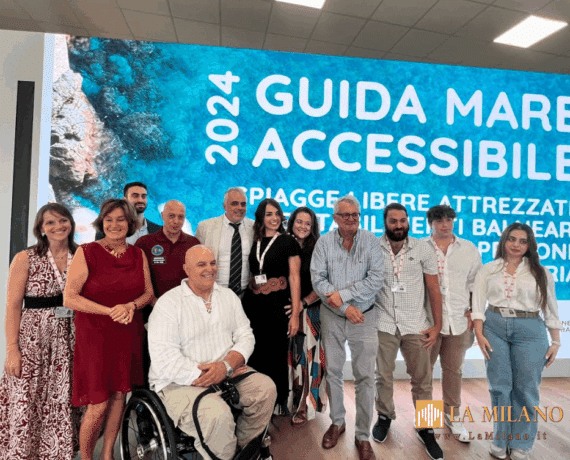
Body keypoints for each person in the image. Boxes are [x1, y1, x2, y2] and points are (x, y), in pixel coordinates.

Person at [148, 245, 277, 460]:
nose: (210, 269)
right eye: (201, 264)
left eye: (213, 263)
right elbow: (165, 361)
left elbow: (246, 335)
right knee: (217, 416)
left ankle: (245, 452)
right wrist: (213, 374)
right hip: (179, 382)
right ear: (186, 269)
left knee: (265, 389)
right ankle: (225, 455)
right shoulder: (168, 304)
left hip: (227, 372)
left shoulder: (228, 297)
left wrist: (226, 367)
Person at [64, 198, 154, 460]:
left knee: (118, 397)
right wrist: (109, 311)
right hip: (95, 336)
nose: (114, 225)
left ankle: (107, 455)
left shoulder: (137, 254)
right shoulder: (87, 252)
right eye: (109, 219)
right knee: (98, 403)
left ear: (130, 223)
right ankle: (86, 458)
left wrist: (130, 306)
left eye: (120, 219)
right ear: (101, 222)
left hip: (127, 333)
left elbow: (148, 293)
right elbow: (70, 297)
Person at [472, 223, 562, 460]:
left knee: (526, 388)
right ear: (504, 240)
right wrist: (479, 334)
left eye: (523, 241)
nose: (516, 245)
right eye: (512, 239)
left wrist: (556, 342)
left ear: (529, 245)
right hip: (494, 326)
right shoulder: (488, 269)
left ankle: (521, 442)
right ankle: (500, 440)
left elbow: (551, 309)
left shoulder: (541, 272)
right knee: (499, 387)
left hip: (530, 329)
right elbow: (478, 305)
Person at [0, 203, 81, 460]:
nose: (58, 226)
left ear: (71, 223)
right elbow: (13, 305)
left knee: (63, 399)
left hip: (70, 341)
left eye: (63, 220)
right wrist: (12, 350)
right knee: (27, 399)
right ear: (41, 229)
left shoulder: (82, 255)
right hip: (33, 342)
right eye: (50, 222)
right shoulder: (25, 258)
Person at [311, 195, 384, 460]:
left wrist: (344, 296)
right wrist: (344, 308)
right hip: (333, 316)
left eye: (355, 214)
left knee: (366, 377)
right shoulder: (323, 243)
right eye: (346, 215)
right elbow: (318, 281)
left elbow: (376, 278)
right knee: (333, 372)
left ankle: (364, 435)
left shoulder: (371, 241)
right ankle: (338, 422)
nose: (351, 219)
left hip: (365, 317)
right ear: (335, 218)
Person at [373, 203, 443, 460]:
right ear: (385, 222)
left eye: (403, 220)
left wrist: (437, 326)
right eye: (393, 221)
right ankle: (384, 416)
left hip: (416, 324)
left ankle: (427, 428)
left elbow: (434, 289)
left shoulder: (423, 248)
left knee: (423, 379)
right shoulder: (373, 247)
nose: (399, 225)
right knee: (382, 376)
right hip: (383, 322)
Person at [424, 205, 482, 442]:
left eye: (449, 220)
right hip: (427, 323)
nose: (445, 224)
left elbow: (476, 284)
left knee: (454, 371)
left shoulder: (468, 249)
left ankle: (453, 417)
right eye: (439, 220)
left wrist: (473, 311)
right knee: (424, 373)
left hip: (458, 321)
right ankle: (427, 422)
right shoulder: (420, 247)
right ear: (430, 223)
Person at [242, 198, 301, 412]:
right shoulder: (255, 240)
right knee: (254, 353)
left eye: (277, 213)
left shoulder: (288, 241)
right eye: (269, 214)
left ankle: (274, 405)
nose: (274, 218)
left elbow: (294, 277)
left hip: (277, 306)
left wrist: (295, 314)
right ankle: (254, 403)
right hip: (253, 305)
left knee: (275, 355)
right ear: (261, 217)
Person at [135, 200, 199, 384]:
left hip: (183, 317)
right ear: (162, 216)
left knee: (179, 362)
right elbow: (137, 279)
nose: (176, 221)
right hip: (151, 314)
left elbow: (197, 280)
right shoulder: (145, 243)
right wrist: (154, 302)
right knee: (150, 361)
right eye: (171, 216)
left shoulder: (193, 244)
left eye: (180, 217)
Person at [285, 206, 327, 426]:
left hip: (310, 313)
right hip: (289, 312)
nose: (302, 226)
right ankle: (427, 428)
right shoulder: (283, 244)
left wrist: (302, 304)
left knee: (423, 382)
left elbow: (324, 285)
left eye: (307, 223)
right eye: (299, 221)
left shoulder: (319, 249)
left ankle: (428, 428)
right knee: (293, 360)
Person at [195, 187, 254, 297]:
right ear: (224, 206)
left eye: (243, 204)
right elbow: (196, 262)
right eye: (234, 204)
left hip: (245, 295)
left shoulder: (254, 227)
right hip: (213, 294)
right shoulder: (205, 227)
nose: (239, 208)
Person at [95, 181, 160, 243]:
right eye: (135, 196)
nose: (140, 200)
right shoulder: (108, 229)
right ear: (125, 199)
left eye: (143, 196)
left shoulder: (158, 230)